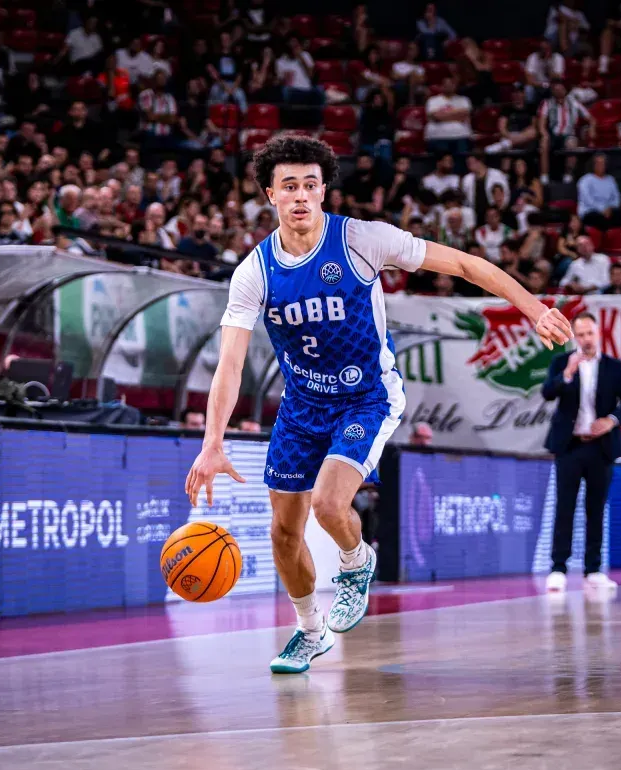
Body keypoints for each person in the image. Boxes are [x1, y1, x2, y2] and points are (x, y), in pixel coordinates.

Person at [185, 135, 572, 674]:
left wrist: (534, 308)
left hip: (366, 397)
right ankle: (309, 631)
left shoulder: (361, 239)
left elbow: (463, 264)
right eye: (289, 186)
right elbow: (230, 363)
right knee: (283, 533)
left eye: (310, 185)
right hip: (301, 406)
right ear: (270, 195)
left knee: (328, 504)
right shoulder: (255, 272)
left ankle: (356, 560)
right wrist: (212, 443)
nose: (301, 196)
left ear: (324, 190)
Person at [541, 312, 621, 595]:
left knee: (596, 509)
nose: (585, 339)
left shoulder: (613, 367)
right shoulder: (562, 362)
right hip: (569, 446)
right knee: (564, 507)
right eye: (580, 334)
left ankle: (593, 570)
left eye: (589, 333)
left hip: (600, 447)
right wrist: (567, 373)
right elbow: (547, 393)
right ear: (574, 337)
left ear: (599, 334)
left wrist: (611, 420)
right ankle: (558, 569)